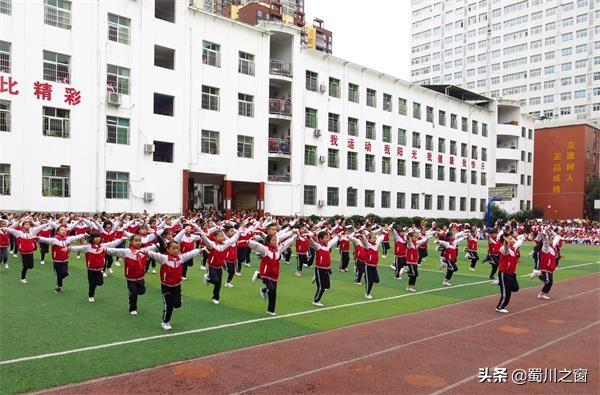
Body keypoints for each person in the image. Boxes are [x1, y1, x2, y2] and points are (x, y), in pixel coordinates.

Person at [143, 240, 203, 330]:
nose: (176, 250)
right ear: (168, 249)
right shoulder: (164, 258)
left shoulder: (181, 258)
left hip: (177, 286)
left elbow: (190, 254)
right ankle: (165, 322)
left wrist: (200, 250)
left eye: (177, 248)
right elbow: (153, 254)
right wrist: (143, 251)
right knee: (168, 305)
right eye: (173, 248)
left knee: (177, 304)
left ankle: (178, 299)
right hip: (166, 286)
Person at [248, 232, 297, 316]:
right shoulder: (265, 249)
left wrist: (294, 237)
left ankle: (270, 310)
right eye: (273, 240)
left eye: (276, 240)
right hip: (266, 273)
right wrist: (247, 242)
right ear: (268, 242)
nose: (275, 242)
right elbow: (257, 245)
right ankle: (259, 275)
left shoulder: (278, 250)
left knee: (273, 293)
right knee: (272, 289)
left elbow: (286, 243)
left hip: (274, 274)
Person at [70, 233, 124, 302]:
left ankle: (94, 286)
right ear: (91, 239)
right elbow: (78, 248)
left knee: (100, 282)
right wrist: (69, 248)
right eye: (95, 237)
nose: (98, 238)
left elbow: (112, 243)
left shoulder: (103, 246)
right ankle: (91, 295)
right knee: (92, 283)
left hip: (100, 268)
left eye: (98, 237)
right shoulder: (87, 247)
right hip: (91, 269)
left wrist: (121, 239)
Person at [105, 235, 150, 314]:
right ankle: (133, 309)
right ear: (131, 242)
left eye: (139, 240)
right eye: (136, 241)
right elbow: (114, 251)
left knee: (141, 292)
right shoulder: (126, 251)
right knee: (134, 293)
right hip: (130, 278)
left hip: (140, 277)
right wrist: (104, 249)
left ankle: (137, 292)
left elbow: (155, 249)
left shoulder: (144, 251)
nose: (138, 242)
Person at [37, 225, 86, 293]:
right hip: (56, 260)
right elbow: (45, 239)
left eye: (65, 230)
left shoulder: (67, 239)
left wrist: (83, 235)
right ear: (57, 231)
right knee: (59, 274)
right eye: (62, 230)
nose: (64, 231)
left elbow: (75, 237)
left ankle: (58, 279)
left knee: (65, 273)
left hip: (65, 259)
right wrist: (37, 238)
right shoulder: (54, 239)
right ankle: (58, 287)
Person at [198, 226, 240, 304]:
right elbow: (206, 240)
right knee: (216, 280)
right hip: (211, 266)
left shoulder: (224, 245)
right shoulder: (212, 244)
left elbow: (232, 240)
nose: (221, 237)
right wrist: (201, 233)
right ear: (215, 237)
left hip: (219, 267)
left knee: (219, 284)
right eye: (219, 236)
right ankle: (207, 277)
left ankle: (216, 298)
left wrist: (239, 232)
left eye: (222, 236)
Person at [5, 218, 51, 283]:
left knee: (31, 266)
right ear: (23, 226)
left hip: (30, 251)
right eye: (26, 224)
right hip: (23, 252)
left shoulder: (33, 232)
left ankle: (25, 268)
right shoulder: (18, 233)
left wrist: (47, 224)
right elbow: (10, 230)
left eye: (29, 224)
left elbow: (40, 227)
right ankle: (23, 278)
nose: (28, 226)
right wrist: (3, 229)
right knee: (25, 266)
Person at [495, 233, 524, 313]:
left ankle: (501, 283)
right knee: (506, 292)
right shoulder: (503, 249)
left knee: (515, 288)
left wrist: (522, 237)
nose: (512, 240)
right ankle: (499, 307)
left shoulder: (513, 248)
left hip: (511, 273)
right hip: (504, 273)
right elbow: (505, 249)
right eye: (510, 238)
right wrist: (506, 243)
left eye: (512, 238)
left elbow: (519, 242)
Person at [309, 230, 339, 307]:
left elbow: (333, 241)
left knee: (327, 286)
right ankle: (316, 300)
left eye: (328, 237)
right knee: (321, 287)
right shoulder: (318, 246)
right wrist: (309, 237)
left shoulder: (328, 246)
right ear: (320, 239)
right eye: (326, 238)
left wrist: (338, 236)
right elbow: (312, 243)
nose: (328, 239)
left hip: (327, 269)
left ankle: (316, 277)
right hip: (319, 269)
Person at [359, 230, 385, 299]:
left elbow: (380, 238)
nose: (375, 239)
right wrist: (363, 236)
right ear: (369, 239)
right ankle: (367, 293)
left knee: (376, 280)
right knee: (370, 282)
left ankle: (367, 279)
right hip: (368, 266)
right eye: (373, 238)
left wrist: (384, 233)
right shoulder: (367, 245)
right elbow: (364, 241)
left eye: (375, 238)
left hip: (374, 267)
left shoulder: (376, 245)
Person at [536, 230, 558, 300]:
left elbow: (556, 237)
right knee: (548, 281)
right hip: (545, 267)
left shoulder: (552, 247)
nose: (552, 240)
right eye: (551, 239)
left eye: (552, 239)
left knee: (550, 282)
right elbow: (546, 242)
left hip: (550, 268)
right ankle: (538, 274)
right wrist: (545, 237)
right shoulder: (546, 248)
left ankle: (542, 294)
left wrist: (551, 232)